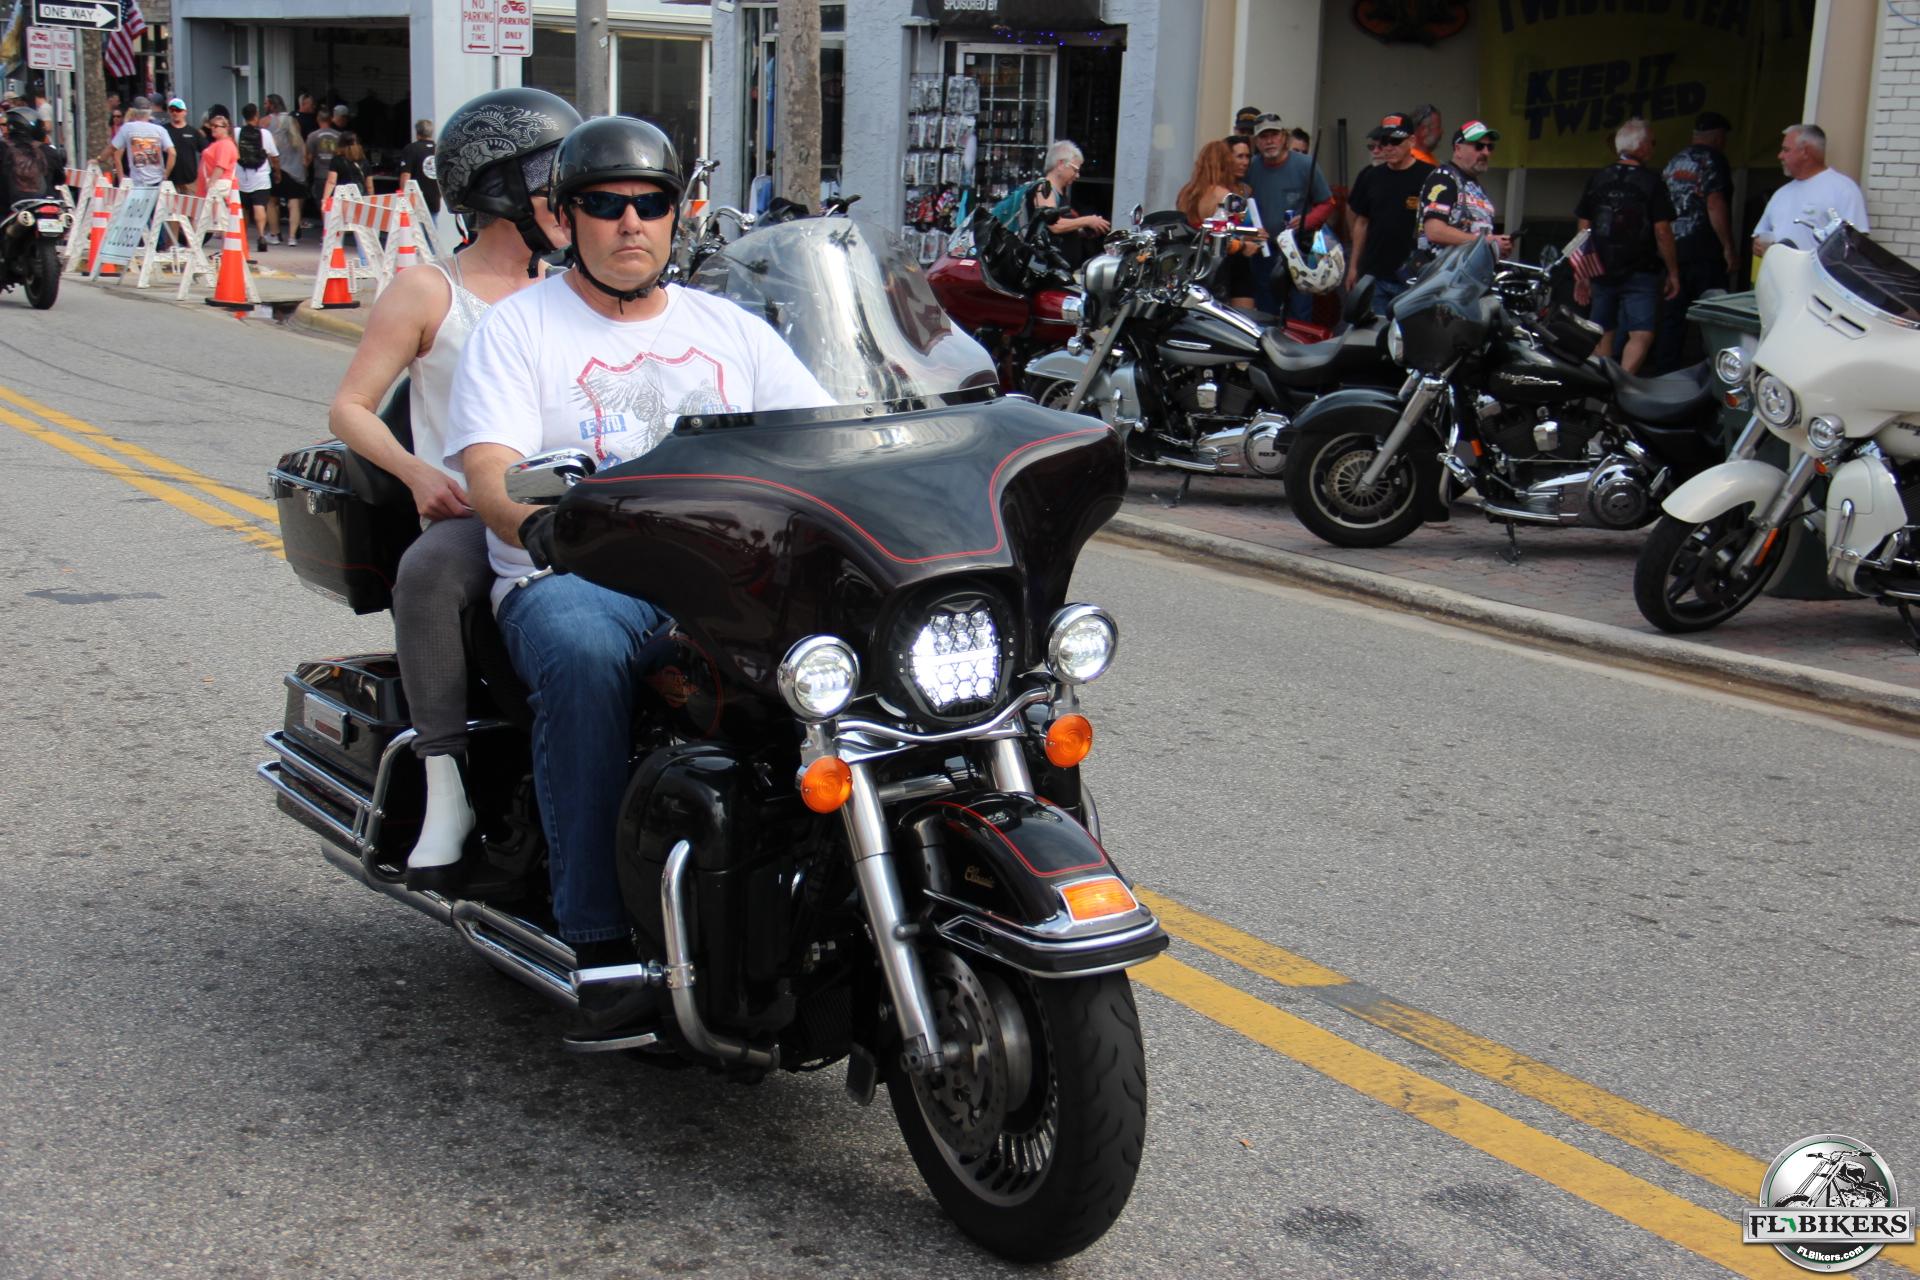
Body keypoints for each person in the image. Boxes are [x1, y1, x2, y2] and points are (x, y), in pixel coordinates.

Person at [445, 116, 834, 1040]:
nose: (630, 222)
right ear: (566, 216)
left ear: (677, 213)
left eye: (650, 202)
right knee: (584, 657)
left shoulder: (730, 328)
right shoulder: (519, 328)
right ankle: (596, 941)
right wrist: (539, 524)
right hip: (581, 575)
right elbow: (490, 471)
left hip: (723, 574)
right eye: (605, 203)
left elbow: (824, 436)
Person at [327, 88, 582, 896]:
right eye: (553, 182)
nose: (570, 199)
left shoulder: (577, 286)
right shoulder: (428, 290)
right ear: (499, 188)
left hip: (581, 501)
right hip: (478, 508)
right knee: (429, 573)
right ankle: (446, 783)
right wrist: (419, 473)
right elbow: (350, 407)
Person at [1574, 118, 1679, 373]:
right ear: (1641, 146)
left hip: (1601, 268)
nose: (1653, 148)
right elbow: (1662, 231)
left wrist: (1582, 270)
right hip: (1642, 269)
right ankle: (1623, 380)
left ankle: (1606, 382)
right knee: (1641, 333)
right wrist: (1673, 272)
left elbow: (1583, 227)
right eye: (1652, 142)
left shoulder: (1598, 178)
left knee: (1602, 331)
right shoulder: (1652, 182)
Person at [1656, 110, 1737, 372]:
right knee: (1712, 316)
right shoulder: (1714, 160)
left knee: (1672, 318)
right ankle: (1712, 373)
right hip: (1704, 252)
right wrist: (1728, 246)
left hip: (1673, 250)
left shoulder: (1673, 162)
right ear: (1718, 137)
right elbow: (1715, 204)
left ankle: (1664, 374)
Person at [1243, 112, 1333, 318]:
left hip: (1299, 250)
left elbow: (1327, 203)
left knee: (1300, 313)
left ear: (1284, 137)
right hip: (1264, 252)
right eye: (1263, 137)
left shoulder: (1305, 164)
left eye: (1274, 135)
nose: (1269, 141)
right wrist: (1249, 230)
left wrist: (1307, 221)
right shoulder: (1251, 167)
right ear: (1256, 142)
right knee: (1266, 313)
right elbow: (1241, 204)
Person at [1344, 114, 1432, 318]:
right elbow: (1361, 222)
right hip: (1375, 274)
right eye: (1384, 141)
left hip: (1413, 278)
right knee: (1373, 331)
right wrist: (1353, 266)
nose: (1389, 147)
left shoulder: (1430, 176)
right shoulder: (1371, 175)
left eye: (1396, 141)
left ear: (1411, 141)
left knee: (1407, 334)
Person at [1408, 119, 1509, 275]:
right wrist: (1487, 242)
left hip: (1469, 277)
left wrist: (1497, 246)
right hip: (1442, 278)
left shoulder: (1473, 184)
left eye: (1490, 147)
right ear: (1458, 149)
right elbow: (1435, 231)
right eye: (1479, 146)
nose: (1486, 152)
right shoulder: (1444, 178)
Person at [1752, 123, 1869, 258]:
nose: (1780, 156)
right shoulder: (1781, 194)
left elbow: (1855, 244)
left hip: (1817, 272)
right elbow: (1759, 236)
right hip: (1778, 271)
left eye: (1786, 150)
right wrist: (1759, 246)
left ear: (1805, 152)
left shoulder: (1843, 189)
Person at [1175, 138, 1265, 309]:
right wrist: (1245, 244)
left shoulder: (1186, 193)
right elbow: (1223, 238)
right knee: (1241, 317)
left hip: (1195, 262)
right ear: (1225, 163)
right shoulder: (1225, 196)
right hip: (1226, 265)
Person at [234, 102, 281, 253]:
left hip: (241, 175)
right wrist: (277, 172)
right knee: (259, 206)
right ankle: (261, 235)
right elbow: (274, 156)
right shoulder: (265, 134)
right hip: (260, 176)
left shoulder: (236, 132)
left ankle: (243, 238)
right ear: (256, 116)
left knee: (244, 208)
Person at [265, 94, 306, 245]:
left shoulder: (267, 121)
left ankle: (275, 234)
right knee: (293, 203)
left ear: (272, 105)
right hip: (295, 169)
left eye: (266, 103)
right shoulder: (293, 120)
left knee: (271, 201)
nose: (264, 106)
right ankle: (292, 237)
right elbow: (301, 144)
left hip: (276, 166)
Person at [111, 98, 174, 191]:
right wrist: (165, 175)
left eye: (118, 116)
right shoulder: (159, 129)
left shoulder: (127, 129)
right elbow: (172, 153)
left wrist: (121, 179)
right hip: (152, 180)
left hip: (137, 181)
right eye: (114, 116)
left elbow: (116, 153)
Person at [1, 107, 54, 209]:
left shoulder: (3, 148)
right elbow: (60, 178)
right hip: (45, 203)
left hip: (10, 206)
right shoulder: (47, 150)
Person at [306, 107, 342, 217]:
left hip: (320, 175)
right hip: (338, 174)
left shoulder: (312, 136)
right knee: (338, 203)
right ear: (331, 119)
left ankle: (326, 225)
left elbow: (308, 157)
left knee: (323, 203)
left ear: (318, 119)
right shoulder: (340, 136)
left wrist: (304, 170)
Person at [400, 118, 440, 215]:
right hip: (434, 200)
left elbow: (405, 175)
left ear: (417, 132)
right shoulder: (439, 149)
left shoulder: (411, 149)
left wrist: (403, 198)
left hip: (415, 201)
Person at [161, 98, 201, 191]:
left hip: (190, 180)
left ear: (185, 112)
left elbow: (206, 151)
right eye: (172, 110)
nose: (175, 113)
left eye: (178, 110)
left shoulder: (193, 132)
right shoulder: (163, 130)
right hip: (169, 181)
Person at [196, 112, 238, 199]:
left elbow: (221, 166)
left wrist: (211, 184)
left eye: (216, 126)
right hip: (210, 190)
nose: (212, 128)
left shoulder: (225, 144)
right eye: (212, 125)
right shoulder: (219, 143)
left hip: (215, 191)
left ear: (225, 128)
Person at [321, 130, 367, 206]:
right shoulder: (364, 161)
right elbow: (369, 185)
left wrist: (325, 200)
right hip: (361, 198)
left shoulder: (336, 160)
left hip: (343, 198)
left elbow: (331, 182)